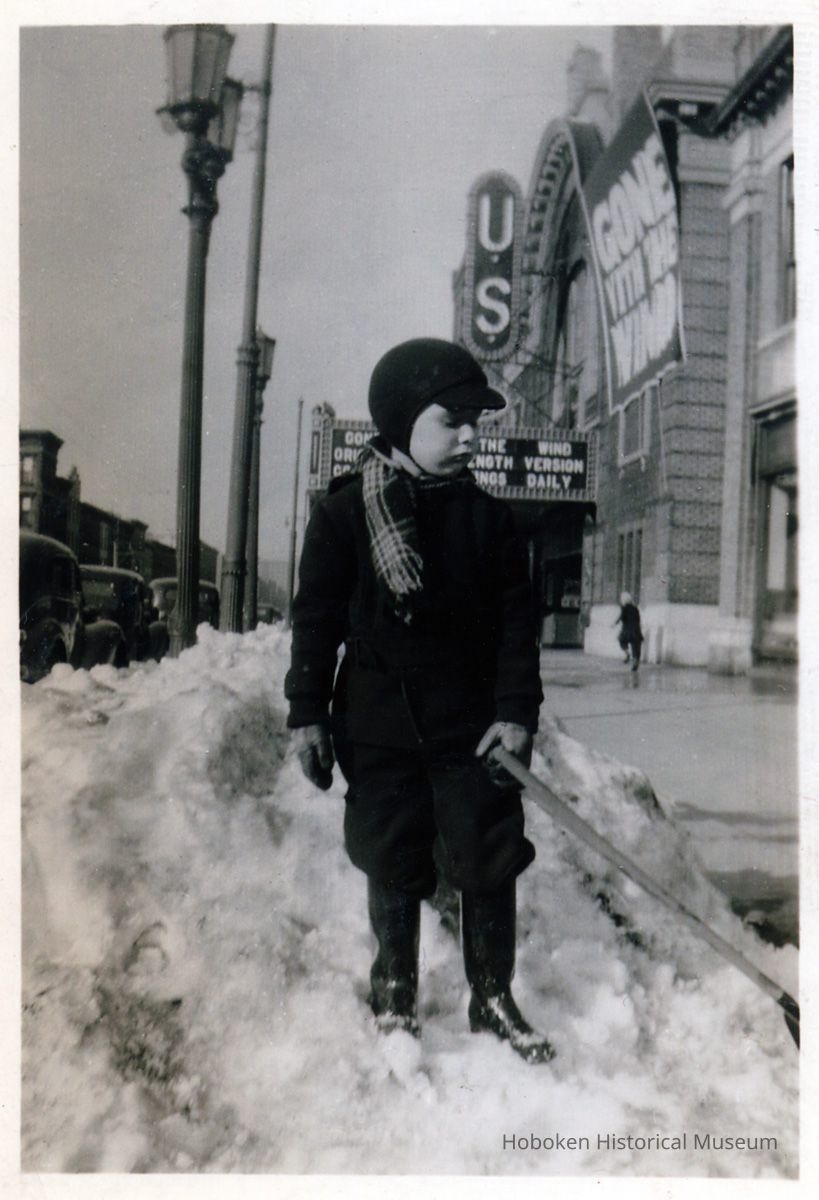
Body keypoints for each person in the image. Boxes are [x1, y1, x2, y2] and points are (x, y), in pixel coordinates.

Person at [285, 337, 554, 1065]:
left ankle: (492, 996)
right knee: (391, 853)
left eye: (476, 422)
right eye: (451, 420)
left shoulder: (490, 520)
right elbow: (315, 622)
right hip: (378, 724)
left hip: (471, 728)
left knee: (487, 854)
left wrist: (514, 714)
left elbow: (516, 628)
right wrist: (307, 713)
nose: (470, 437)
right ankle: (395, 991)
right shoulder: (344, 514)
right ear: (402, 420)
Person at [614, 591, 643, 670]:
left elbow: (621, 617)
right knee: (635, 647)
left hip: (627, 630)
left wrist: (615, 623)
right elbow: (638, 619)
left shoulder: (624, 608)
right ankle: (635, 661)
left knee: (621, 640)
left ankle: (627, 653)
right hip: (636, 630)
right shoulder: (635, 608)